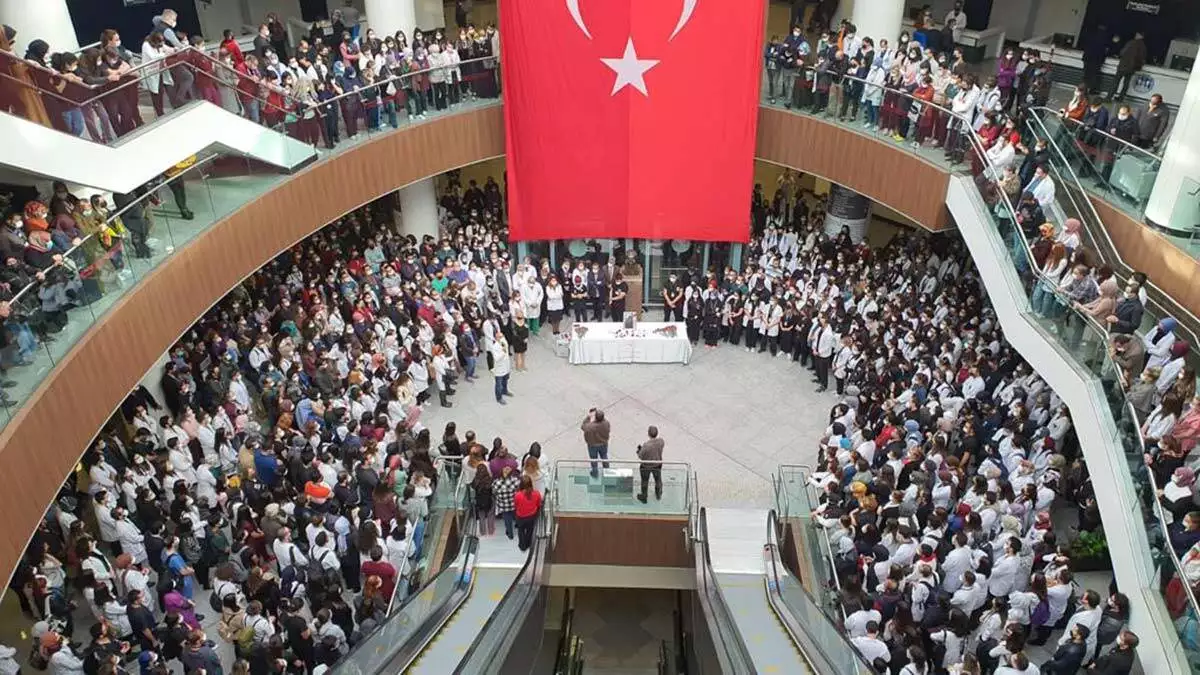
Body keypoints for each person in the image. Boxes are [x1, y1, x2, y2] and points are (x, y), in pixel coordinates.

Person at [1111, 32, 1146, 102]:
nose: (1135, 35)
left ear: (1140, 36)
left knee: (1116, 82)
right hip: (1132, 68)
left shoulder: (1131, 42)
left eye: (1137, 34)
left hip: (1124, 65)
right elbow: (1142, 58)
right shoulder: (1143, 46)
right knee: (1126, 83)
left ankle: (1109, 96)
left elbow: (1122, 52)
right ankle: (1121, 98)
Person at [636, 426, 664, 503]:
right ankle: (658, 494)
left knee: (644, 481)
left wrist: (639, 450)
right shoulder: (661, 441)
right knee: (658, 479)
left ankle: (644, 497)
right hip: (657, 464)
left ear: (648, 434)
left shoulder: (646, 445)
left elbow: (640, 456)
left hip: (646, 466)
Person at [513, 475, 542, 551]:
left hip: (520, 517)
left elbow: (516, 505)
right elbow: (539, 505)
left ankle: (522, 546)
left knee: (521, 530)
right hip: (532, 516)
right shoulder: (537, 494)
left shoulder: (517, 495)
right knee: (530, 531)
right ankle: (528, 543)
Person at [581, 408, 611, 478]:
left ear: (595, 418)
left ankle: (595, 473)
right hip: (603, 444)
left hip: (592, 445)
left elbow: (583, 426)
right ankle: (607, 471)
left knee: (594, 459)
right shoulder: (606, 423)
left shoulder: (590, 426)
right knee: (604, 456)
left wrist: (588, 417)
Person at [490, 335, 512, 404]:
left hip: (506, 367)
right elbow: (496, 358)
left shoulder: (503, 342)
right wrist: (503, 353)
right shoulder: (494, 347)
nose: (502, 338)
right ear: (496, 338)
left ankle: (505, 391)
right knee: (498, 384)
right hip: (499, 369)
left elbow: (506, 348)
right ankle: (499, 398)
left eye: (502, 336)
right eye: (500, 337)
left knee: (505, 381)